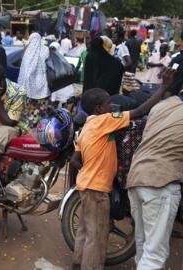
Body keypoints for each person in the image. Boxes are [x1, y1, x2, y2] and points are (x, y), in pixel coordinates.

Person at [69, 68, 175, 270]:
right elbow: (139, 112)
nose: (112, 106)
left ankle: (77, 264)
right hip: (98, 190)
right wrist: (163, 89)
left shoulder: (87, 127)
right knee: (97, 236)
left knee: (84, 230)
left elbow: (75, 160)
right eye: (109, 103)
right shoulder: (105, 121)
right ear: (100, 108)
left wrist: (89, 170)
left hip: (85, 186)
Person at [126, 70, 181, 270]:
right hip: (160, 183)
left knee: (143, 245)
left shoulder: (160, 107)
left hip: (136, 178)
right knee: (155, 255)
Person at [18, 32, 50, 100]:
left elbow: (23, 67)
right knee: (41, 103)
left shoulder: (27, 51)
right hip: (42, 80)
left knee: (29, 102)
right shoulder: (45, 49)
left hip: (28, 82)